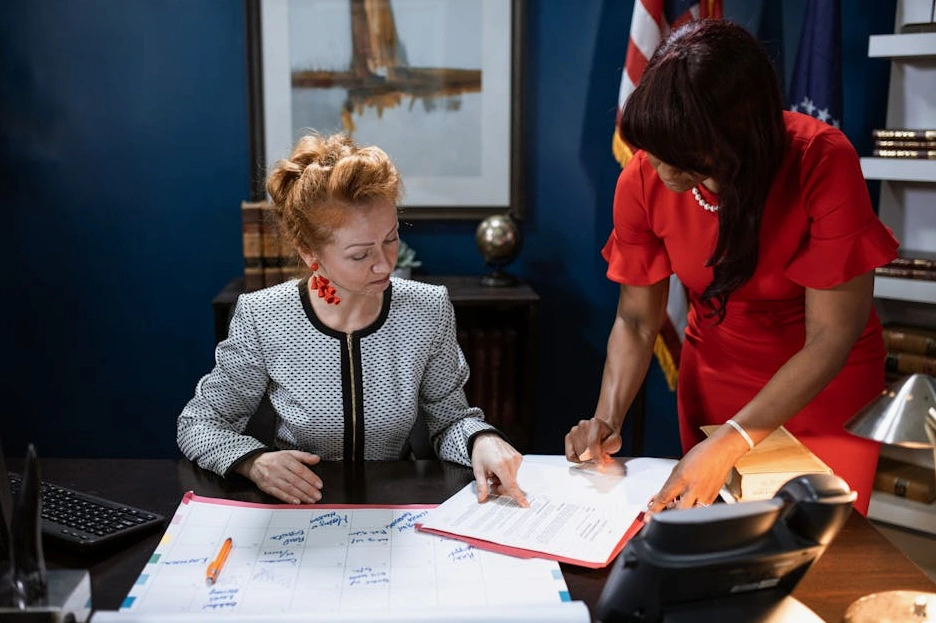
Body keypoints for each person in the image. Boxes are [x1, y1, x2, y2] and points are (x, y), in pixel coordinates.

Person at [564, 19, 898, 516]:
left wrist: (733, 440)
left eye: (679, 156)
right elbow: (636, 320)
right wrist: (606, 420)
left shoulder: (822, 160)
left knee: (821, 557)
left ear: (736, 135)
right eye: (653, 154)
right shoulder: (646, 173)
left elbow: (831, 336)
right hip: (716, 380)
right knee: (717, 547)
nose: (659, 171)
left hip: (824, 388)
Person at [178, 132, 527, 507]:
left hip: (398, 511)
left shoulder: (428, 308)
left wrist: (481, 439)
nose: (384, 263)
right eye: (360, 255)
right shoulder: (264, 315)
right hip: (299, 512)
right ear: (310, 253)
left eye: (391, 239)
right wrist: (254, 462)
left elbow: (451, 420)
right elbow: (199, 424)